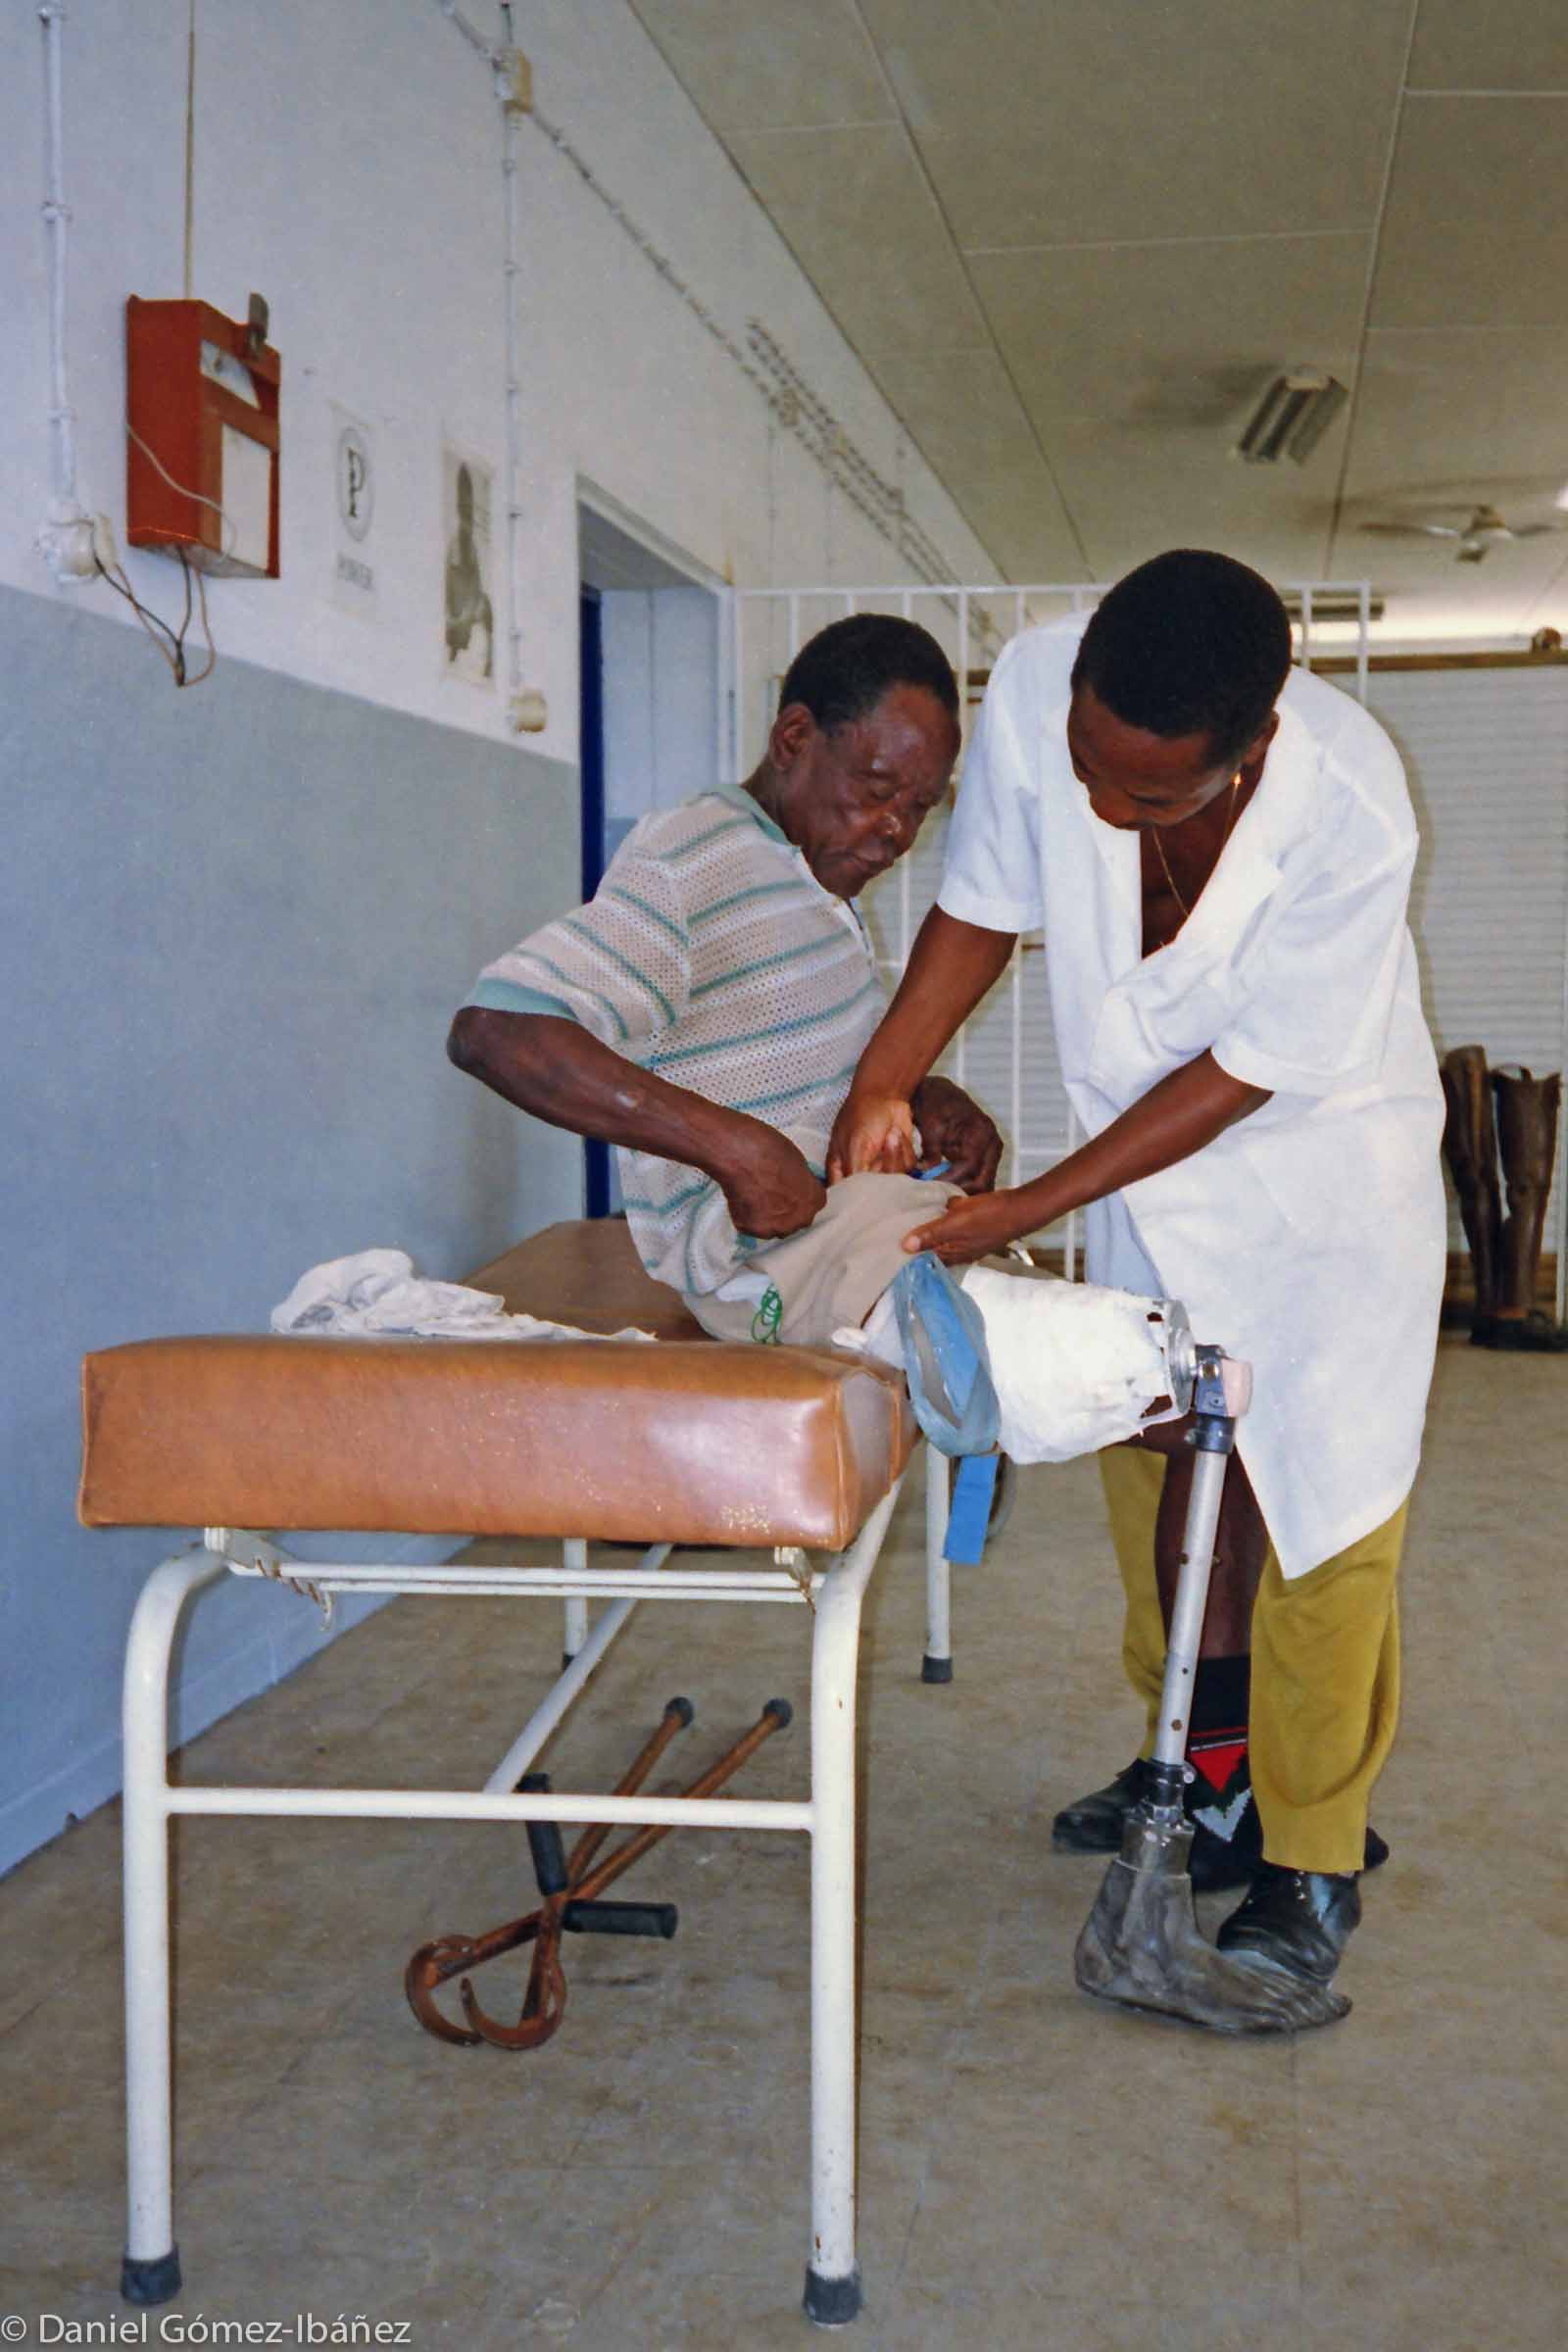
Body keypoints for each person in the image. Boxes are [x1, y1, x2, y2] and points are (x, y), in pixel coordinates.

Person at [829, 550, 1446, 2022]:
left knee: (1320, 1499)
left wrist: (1027, 1208)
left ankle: (1307, 1856)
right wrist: (882, 1083)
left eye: (1150, 799)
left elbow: (1245, 1073)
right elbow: (979, 906)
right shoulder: (1047, 691)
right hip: (1146, 1165)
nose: (1106, 809)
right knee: (1160, 1457)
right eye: (1090, 773)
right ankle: (1199, 1771)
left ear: (1255, 750)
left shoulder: (1349, 811)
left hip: (1318, 1174)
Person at [447, 614, 1004, 1352]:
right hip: (765, 1266)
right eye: (876, 790)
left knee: (1064, 1332)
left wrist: (927, 1099)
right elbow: (498, 1028)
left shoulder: (810, 879)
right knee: (1076, 1359)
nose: (896, 831)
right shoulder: (696, 857)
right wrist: (733, 1149)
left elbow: (799, 1055)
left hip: (847, 1222)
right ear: (795, 739)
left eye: (918, 807)